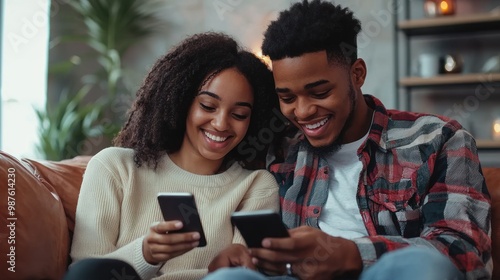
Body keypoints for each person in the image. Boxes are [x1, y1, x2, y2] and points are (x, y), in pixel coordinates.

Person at [204, 1, 492, 280]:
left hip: (386, 273)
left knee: (424, 265)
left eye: (319, 93)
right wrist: (243, 256)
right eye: (287, 98)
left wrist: (352, 255)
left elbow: (464, 255)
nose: (302, 112)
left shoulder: (438, 139)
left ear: (357, 74)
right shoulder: (279, 148)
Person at [66, 32, 282, 280]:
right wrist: (146, 253)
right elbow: (84, 271)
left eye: (240, 115)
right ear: (181, 101)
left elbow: (245, 274)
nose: (221, 124)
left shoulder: (255, 186)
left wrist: (226, 265)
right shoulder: (114, 167)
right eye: (208, 106)